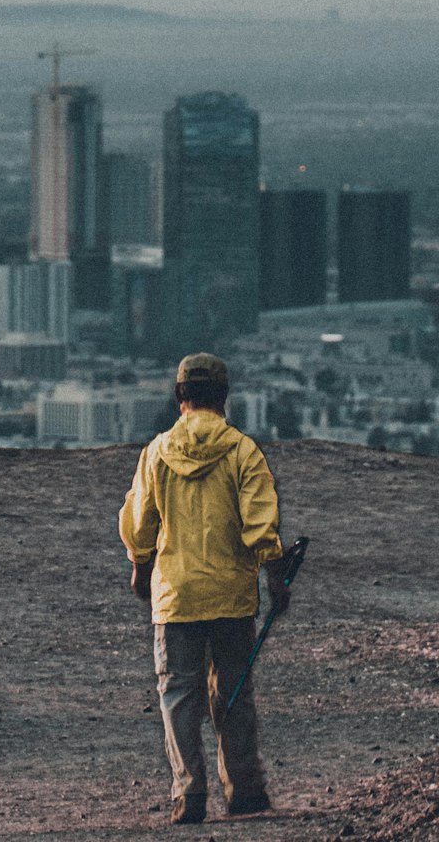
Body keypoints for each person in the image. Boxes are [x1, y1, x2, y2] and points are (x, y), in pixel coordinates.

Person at [118, 352, 291, 825]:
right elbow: (261, 522)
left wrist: (140, 566)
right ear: (224, 396)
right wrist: (275, 574)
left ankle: (188, 794)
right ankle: (245, 792)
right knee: (233, 693)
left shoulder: (156, 452)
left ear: (180, 397)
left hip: (176, 597)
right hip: (231, 596)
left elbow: (139, 521)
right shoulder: (242, 451)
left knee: (178, 694)